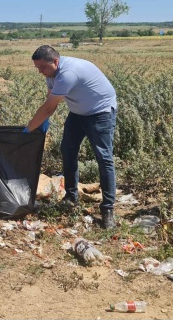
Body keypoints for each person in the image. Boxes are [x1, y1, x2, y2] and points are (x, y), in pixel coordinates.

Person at [24, 45, 118, 229]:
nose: (40, 72)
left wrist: (28, 130)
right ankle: (71, 197)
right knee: (67, 150)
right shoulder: (52, 74)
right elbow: (49, 100)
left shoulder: (68, 73)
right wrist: (43, 121)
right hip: (78, 113)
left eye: (42, 67)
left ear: (55, 62)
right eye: (38, 68)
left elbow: (49, 108)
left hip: (100, 112)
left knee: (104, 158)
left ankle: (108, 209)